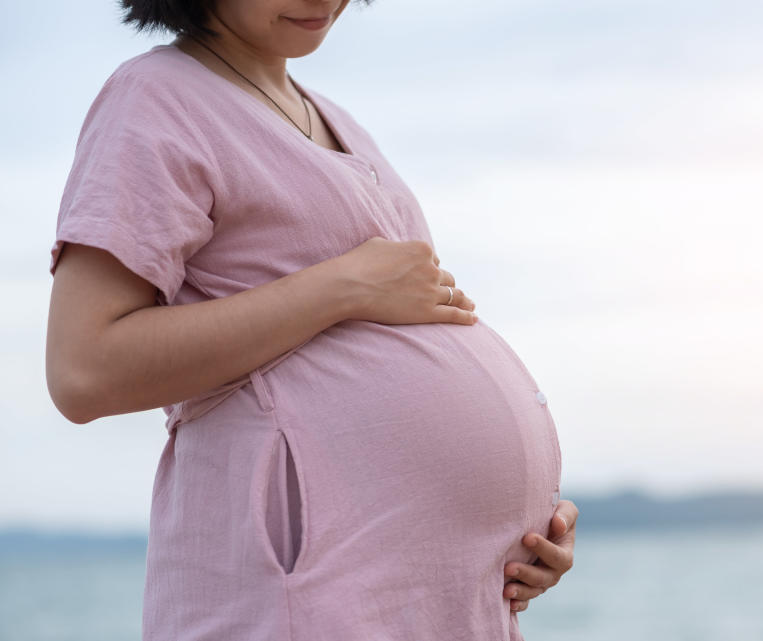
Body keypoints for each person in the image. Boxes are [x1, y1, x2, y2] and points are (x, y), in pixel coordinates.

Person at [45, 1, 578, 639]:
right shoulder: (154, 97)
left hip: (435, 596)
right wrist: (340, 287)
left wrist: (503, 539)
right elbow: (84, 370)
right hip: (303, 589)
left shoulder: (331, 116)